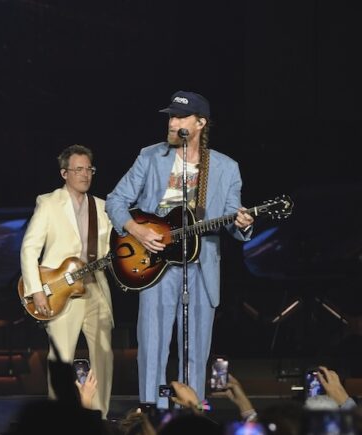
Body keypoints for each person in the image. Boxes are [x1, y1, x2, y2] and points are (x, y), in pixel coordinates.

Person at [105, 91, 254, 406]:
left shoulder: (226, 168)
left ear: (200, 123)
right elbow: (116, 200)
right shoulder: (150, 157)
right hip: (155, 264)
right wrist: (136, 229)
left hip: (201, 268)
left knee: (196, 351)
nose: (172, 123)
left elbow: (231, 216)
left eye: (180, 117)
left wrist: (242, 224)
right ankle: (151, 412)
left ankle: (191, 414)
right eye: (170, 117)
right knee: (153, 346)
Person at [19, 145, 115, 417]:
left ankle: (99, 417)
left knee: (103, 355)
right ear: (64, 173)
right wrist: (36, 290)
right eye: (79, 169)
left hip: (96, 286)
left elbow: (108, 250)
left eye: (89, 169)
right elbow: (29, 249)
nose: (85, 175)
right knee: (61, 357)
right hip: (60, 290)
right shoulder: (49, 203)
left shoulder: (102, 207)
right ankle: (60, 419)